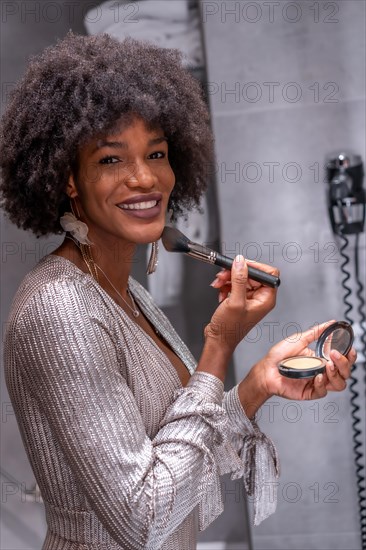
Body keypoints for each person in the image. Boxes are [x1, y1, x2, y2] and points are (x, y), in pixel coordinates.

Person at [0, 32, 355, 550]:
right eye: (110, 160)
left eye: (157, 152)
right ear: (67, 178)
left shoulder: (123, 291)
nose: (145, 178)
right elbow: (144, 517)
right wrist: (218, 344)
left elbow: (176, 459)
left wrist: (259, 383)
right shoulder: (60, 309)